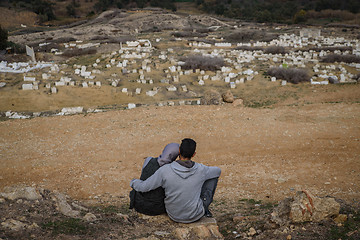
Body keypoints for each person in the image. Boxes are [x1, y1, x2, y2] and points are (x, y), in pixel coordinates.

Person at [130, 138, 221, 223]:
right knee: (212, 177)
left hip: (174, 215)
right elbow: (218, 171)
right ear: (194, 154)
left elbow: (144, 187)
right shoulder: (201, 170)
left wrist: (134, 182)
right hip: (196, 215)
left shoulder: (165, 170)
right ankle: (205, 208)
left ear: (179, 151)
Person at [129, 143, 179, 216]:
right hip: (157, 208)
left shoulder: (149, 160)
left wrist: (133, 182)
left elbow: (143, 178)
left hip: (139, 204)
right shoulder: (169, 169)